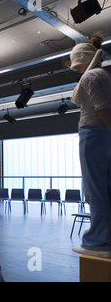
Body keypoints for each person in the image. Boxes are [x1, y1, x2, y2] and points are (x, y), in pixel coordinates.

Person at [69, 32, 111, 258]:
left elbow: (101, 108)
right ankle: (106, 237)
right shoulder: (105, 75)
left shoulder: (89, 76)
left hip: (92, 134)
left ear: (83, 59)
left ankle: (98, 241)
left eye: (76, 64)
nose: (75, 69)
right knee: (106, 189)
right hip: (103, 136)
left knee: (94, 190)